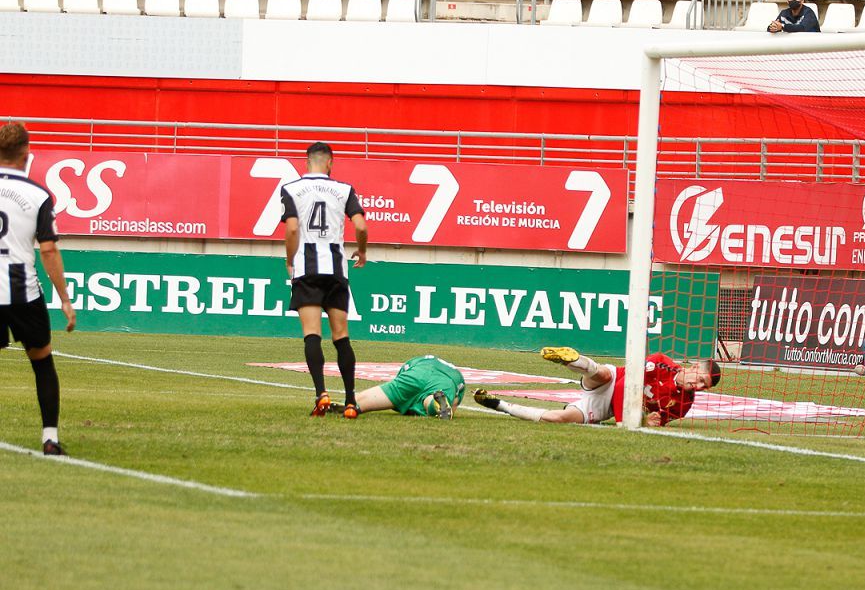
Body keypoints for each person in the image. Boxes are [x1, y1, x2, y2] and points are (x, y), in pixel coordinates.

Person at [0, 122, 76, 455]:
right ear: (27, 154)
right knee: (42, 362)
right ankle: (50, 438)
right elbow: (48, 249)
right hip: (21, 292)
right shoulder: (38, 194)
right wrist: (64, 299)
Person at [282, 142, 368, 418]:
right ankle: (352, 402)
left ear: (307, 162)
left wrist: (289, 258)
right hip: (335, 270)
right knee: (341, 337)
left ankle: (321, 394)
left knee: (311, 334)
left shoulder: (291, 189)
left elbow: (293, 227)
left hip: (307, 270)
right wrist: (363, 251)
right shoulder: (344, 189)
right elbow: (361, 225)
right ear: (330, 162)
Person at [474, 346, 722, 427]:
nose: (698, 386)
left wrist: (650, 420)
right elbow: (626, 384)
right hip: (615, 382)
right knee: (602, 373)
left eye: (704, 386)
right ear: (692, 367)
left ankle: (498, 404)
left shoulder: (684, 405)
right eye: (700, 378)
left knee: (560, 418)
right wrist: (623, 422)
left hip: (605, 407)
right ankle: (572, 359)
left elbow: (657, 420)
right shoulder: (660, 363)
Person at [332, 354, 466, 419]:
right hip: (449, 381)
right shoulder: (458, 376)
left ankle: (353, 405)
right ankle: (435, 403)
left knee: (394, 394)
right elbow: (453, 405)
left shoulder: (416, 361)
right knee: (429, 401)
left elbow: (398, 387)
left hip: (417, 372)